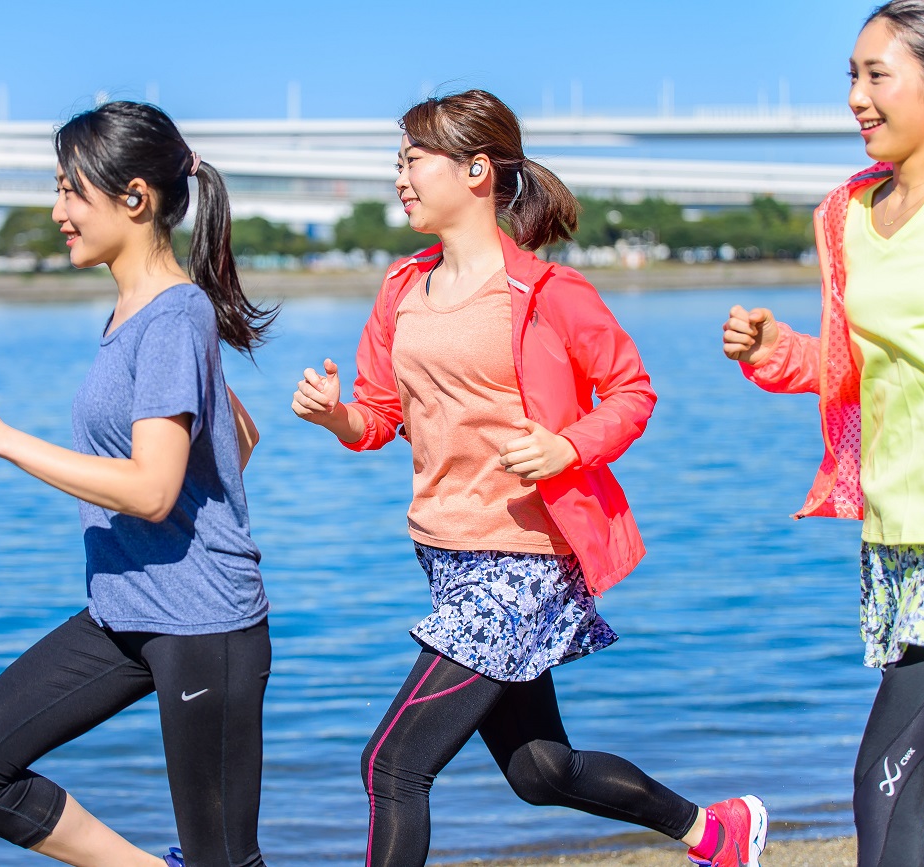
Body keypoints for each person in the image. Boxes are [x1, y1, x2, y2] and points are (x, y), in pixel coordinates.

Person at [293, 89, 766, 867]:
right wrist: (338, 416)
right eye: (398, 163)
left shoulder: (549, 293)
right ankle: (715, 832)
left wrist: (566, 448)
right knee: (540, 770)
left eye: (414, 161)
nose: (400, 178)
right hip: (447, 556)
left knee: (393, 764)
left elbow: (633, 392)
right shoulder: (401, 288)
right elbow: (381, 413)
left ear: (476, 171)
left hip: (525, 560)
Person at [0, 100, 276, 867]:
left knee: (225, 859)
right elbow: (239, 435)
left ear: (134, 198)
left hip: (203, 628)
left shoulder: (173, 316)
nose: (58, 212)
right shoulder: (143, 311)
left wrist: (6, 440)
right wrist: (196, 499)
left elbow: (152, 489)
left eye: (70, 191)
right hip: (124, 613)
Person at [722, 3, 924, 864]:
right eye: (851, 77)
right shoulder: (847, 215)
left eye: (877, 75)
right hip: (899, 533)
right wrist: (772, 349)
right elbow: (849, 363)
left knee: (887, 784)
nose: (857, 97)